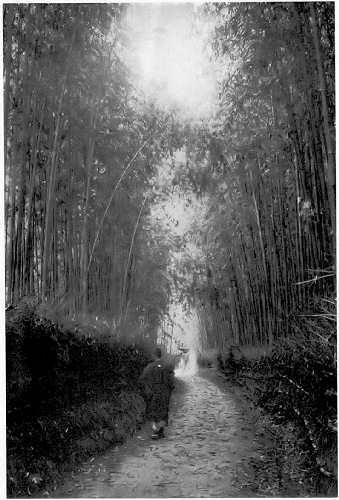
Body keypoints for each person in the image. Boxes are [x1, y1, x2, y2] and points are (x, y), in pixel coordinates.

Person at [138, 347, 175, 439]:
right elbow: (171, 381)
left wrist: (146, 391)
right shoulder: (167, 366)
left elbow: (141, 380)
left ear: (153, 355)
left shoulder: (149, 367)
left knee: (154, 412)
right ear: (160, 355)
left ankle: (156, 432)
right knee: (163, 412)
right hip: (164, 394)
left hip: (153, 393)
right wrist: (169, 391)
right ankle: (160, 432)